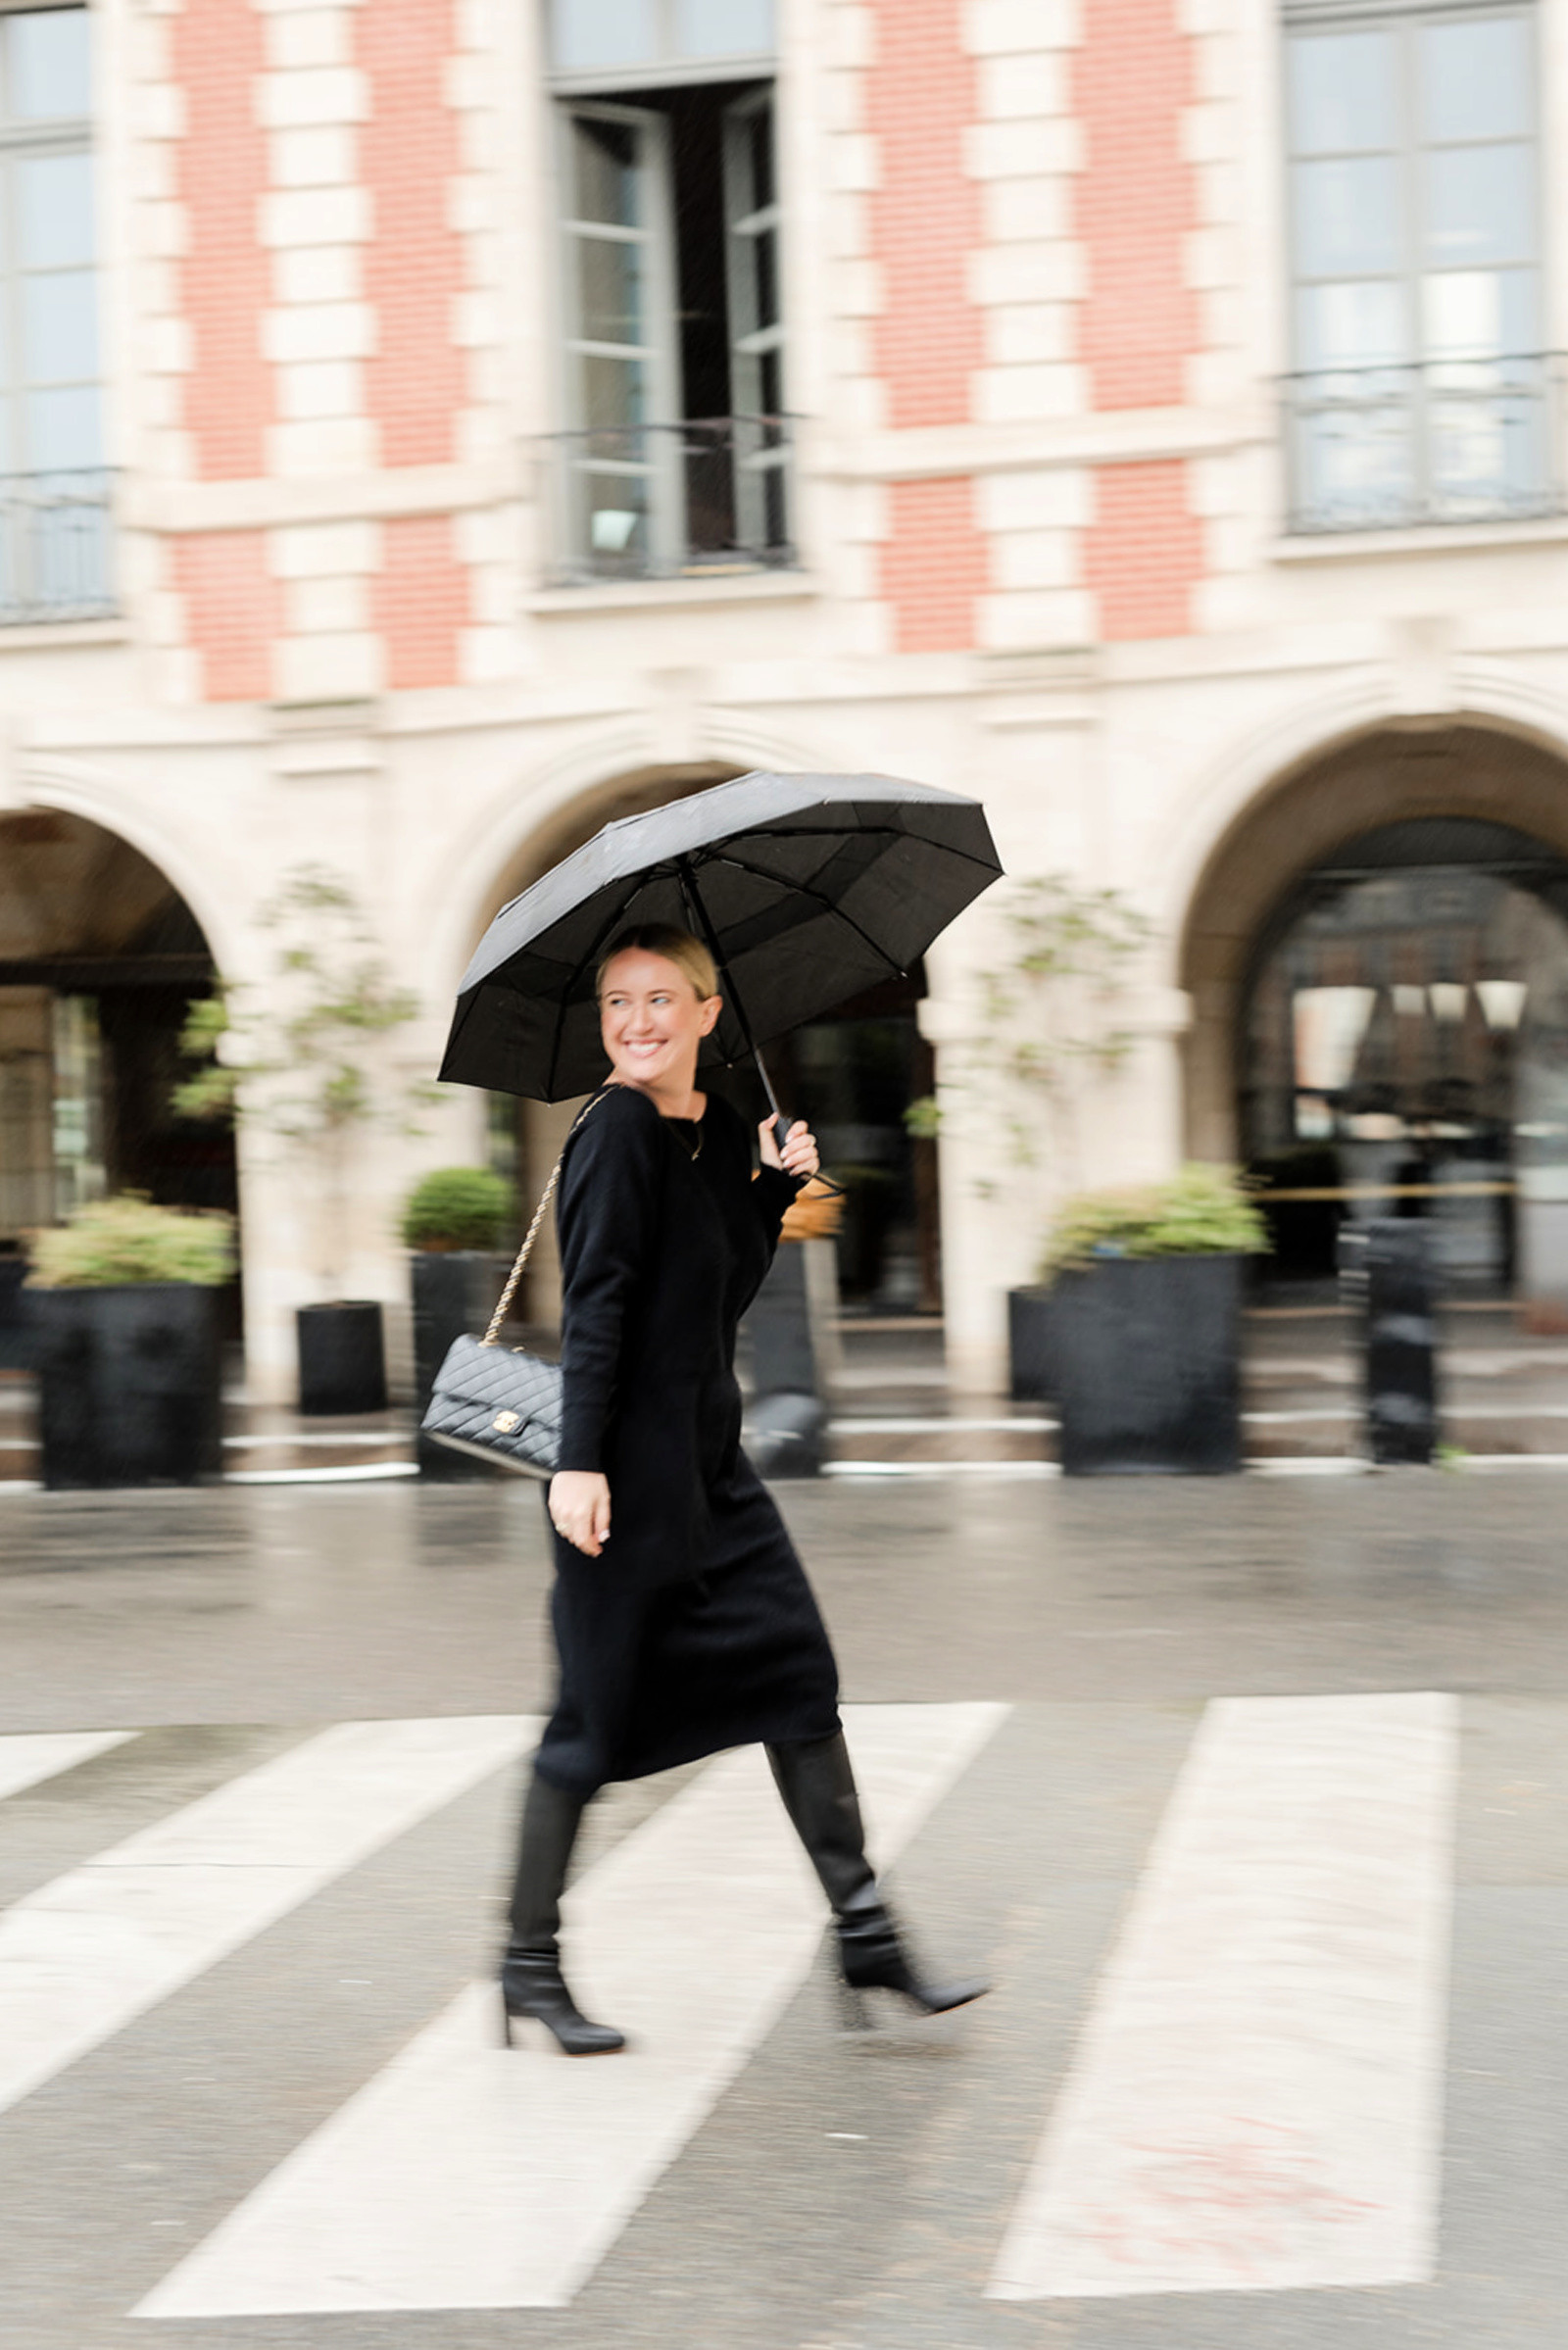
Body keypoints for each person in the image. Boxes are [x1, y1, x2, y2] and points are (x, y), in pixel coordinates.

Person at [500, 922, 987, 2054]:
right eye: (618, 1004)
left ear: (709, 1013)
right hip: (620, 1476)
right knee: (586, 1728)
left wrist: (770, 1192)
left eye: (660, 999)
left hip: (711, 1468)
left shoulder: (711, 1130)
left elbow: (714, 1296)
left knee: (797, 1680)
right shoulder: (612, 1131)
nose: (636, 1023)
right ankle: (526, 1964)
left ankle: (865, 1935)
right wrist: (575, 1463)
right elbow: (600, 1314)